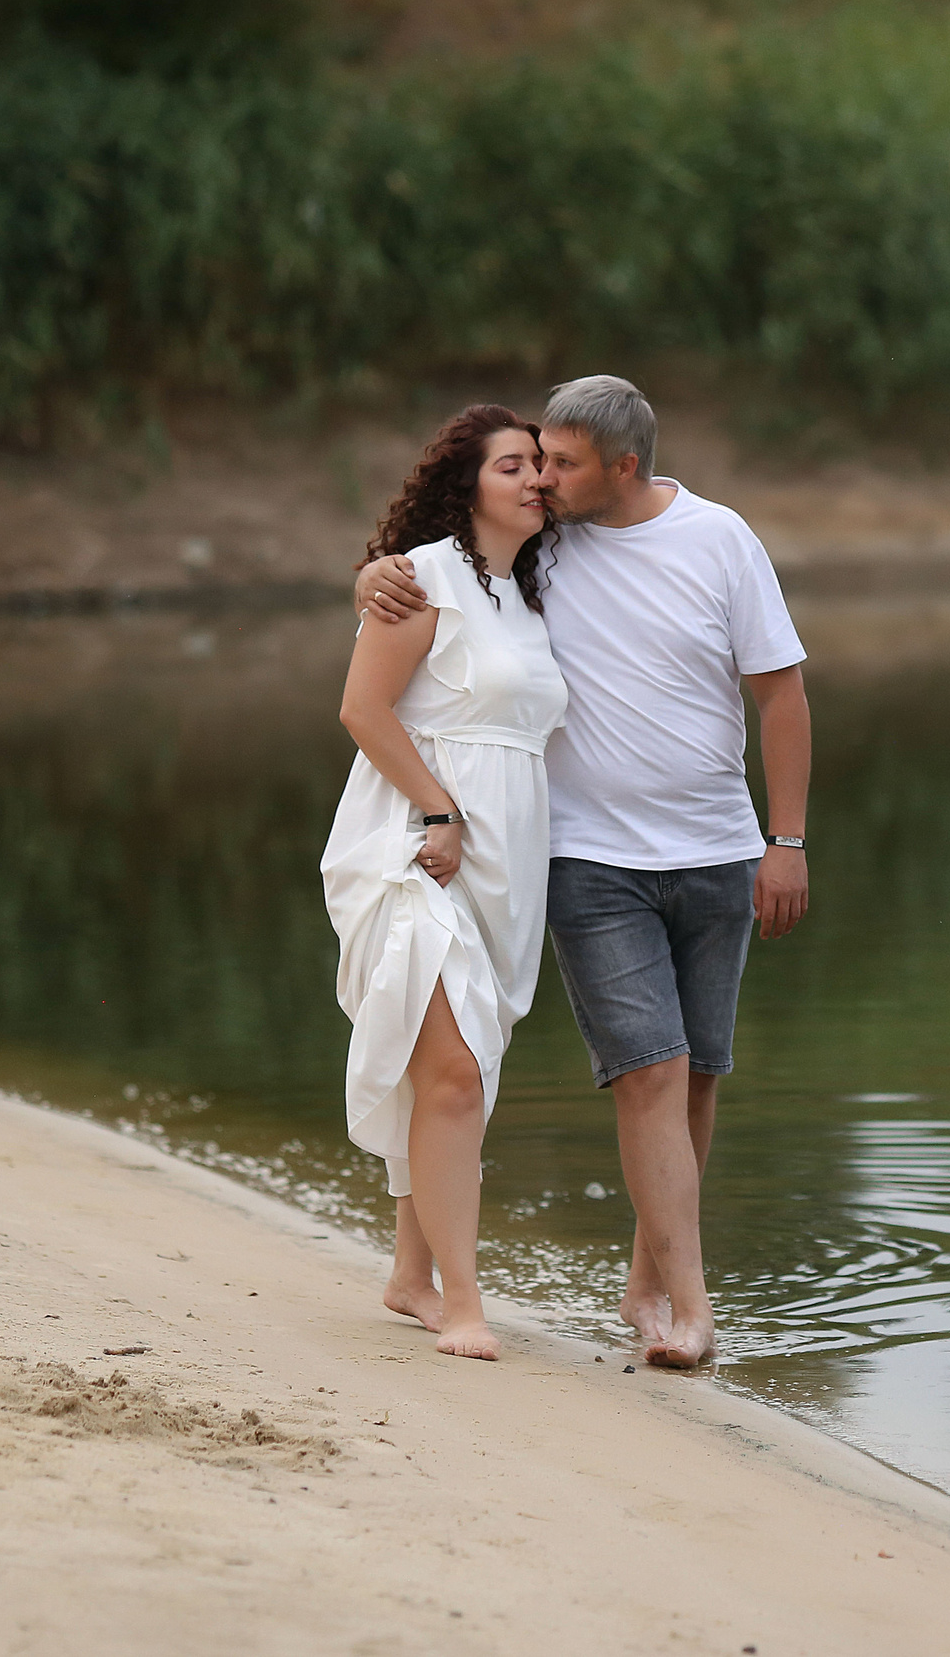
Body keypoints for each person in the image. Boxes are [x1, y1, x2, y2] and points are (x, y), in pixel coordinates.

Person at [357, 375, 810, 1369]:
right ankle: (690, 1312)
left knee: (696, 1076)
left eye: (561, 462)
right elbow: (434, 570)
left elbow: (779, 693)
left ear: (624, 467)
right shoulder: (541, 546)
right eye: (533, 462)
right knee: (644, 1070)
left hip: (718, 851)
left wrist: (787, 840)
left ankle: (648, 1280)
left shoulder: (717, 539)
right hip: (587, 859)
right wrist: (374, 580)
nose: (545, 480)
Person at [323, 405, 564, 1362]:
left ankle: (409, 1275)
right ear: (467, 485)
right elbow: (361, 706)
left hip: (510, 857)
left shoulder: (533, 596)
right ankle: (463, 1302)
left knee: (460, 1071)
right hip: (416, 846)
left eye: (544, 467)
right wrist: (436, 811)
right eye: (514, 465)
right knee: (454, 1072)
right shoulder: (422, 577)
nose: (536, 479)